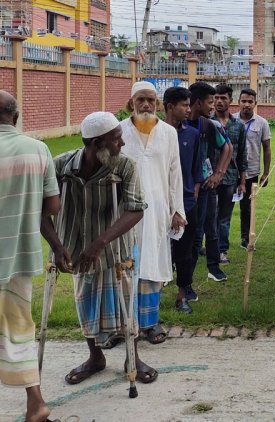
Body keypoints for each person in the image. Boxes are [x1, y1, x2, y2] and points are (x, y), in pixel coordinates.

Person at [43, 112, 160, 387]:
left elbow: (135, 210)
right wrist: (57, 246)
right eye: (116, 140)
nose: (121, 144)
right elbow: (39, 210)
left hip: (114, 249)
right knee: (85, 303)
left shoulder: (124, 167)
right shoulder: (60, 167)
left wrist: (99, 243)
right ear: (97, 144)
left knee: (125, 304)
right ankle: (95, 357)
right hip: (74, 249)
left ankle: (133, 358)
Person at [0, 90, 60, 422]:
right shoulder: (37, 150)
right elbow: (52, 206)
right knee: (18, 329)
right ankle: (35, 403)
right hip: (19, 259)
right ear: (17, 116)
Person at [119, 82, 185, 344]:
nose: (146, 105)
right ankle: (125, 324)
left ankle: (150, 324)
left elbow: (175, 173)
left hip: (158, 209)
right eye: (140, 100)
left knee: (153, 263)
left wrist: (177, 210)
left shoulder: (168, 133)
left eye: (150, 100)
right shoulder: (120, 131)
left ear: (157, 104)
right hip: (126, 210)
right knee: (126, 265)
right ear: (130, 103)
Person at [164, 87, 205, 313]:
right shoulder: (155, 133)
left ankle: (182, 295)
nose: (189, 110)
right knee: (159, 248)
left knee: (186, 250)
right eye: (184, 105)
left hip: (187, 201)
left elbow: (196, 168)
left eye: (190, 105)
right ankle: (150, 295)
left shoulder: (192, 134)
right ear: (170, 107)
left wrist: (194, 194)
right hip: (159, 202)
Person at [187, 82, 233, 283]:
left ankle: (213, 268)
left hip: (205, 186)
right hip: (183, 187)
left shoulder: (209, 125)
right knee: (186, 231)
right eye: (210, 102)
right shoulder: (178, 124)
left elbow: (227, 148)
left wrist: (218, 174)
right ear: (197, 103)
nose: (213, 106)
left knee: (209, 228)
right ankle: (180, 272)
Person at [213, 84, 248, 264]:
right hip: (209, 178)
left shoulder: (238, 126)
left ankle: (221, 251)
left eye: (223, 98)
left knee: (224, 217)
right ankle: (207, 248)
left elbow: (242, 155)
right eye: (216, 98)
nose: (219, 101)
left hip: (230, 178)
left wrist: (242, 182)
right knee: (208, 215)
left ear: (230, 100)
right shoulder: (207, 122)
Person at [234, 88, 272, 250]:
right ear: (238, 102)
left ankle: (245, 238)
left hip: (251, 172)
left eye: (250, 102)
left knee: (247, 208)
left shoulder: (262, 123)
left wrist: (265, 173)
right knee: (221, 208)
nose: (247, 105)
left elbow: (267, 148)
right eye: (244, 101)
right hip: (230, 172)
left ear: (255, 104)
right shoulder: (231, 120)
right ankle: (220, 244)